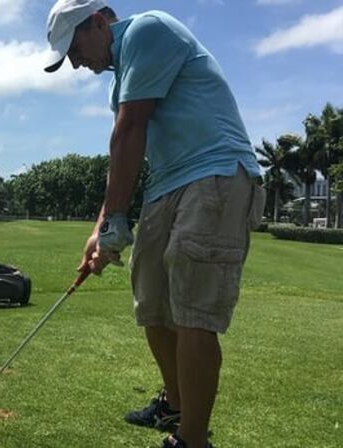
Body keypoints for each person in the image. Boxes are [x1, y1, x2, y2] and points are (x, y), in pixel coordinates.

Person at [43, 1, 266, 447]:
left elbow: (130, 132)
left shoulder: (148, 29)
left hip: (215, 174)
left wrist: (116, 223)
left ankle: (192, 440)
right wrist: (101, 228)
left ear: (100, 23)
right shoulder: (118, 83)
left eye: (75, 48)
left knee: (192, 312)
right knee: (150, 298)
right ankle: (177, 404)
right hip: (167, 184)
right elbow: (124, 158)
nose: (76, 62)